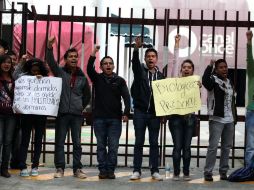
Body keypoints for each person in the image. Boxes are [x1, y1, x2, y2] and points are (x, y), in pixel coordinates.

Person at [47, 36, 91, 179]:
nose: (73, 59)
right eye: (70, 56)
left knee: (77, 143)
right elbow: (51, 62)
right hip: (62, 113)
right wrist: (49, 47)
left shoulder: (82, 77)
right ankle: (59, 168)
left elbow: (87, 96)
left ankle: (77, 169)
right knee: (60, 141)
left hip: (77, 115)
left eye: (75, 57)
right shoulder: (60, 72)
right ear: (65, 59)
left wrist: (80, 106)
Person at [87, 45, 130, 179]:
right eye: (105, 64)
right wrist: (93, 53)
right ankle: (102, 170)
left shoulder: (120, 81)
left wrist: (126, 113)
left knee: (113, 147)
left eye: (110, 63)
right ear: (101, 67)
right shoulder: (97, 79)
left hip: (115, 120)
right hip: (99, 119)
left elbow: (127, 97)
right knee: (100, 146)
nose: (108, 65)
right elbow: (89, 68)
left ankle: (110, 170)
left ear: (114, 66)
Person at [130, 37, 164, 181]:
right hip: (140, 112)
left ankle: (154, 170)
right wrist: (136, 49)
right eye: (148, 56)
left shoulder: (161, 76)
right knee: (139, 142)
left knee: (154, 143)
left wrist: (163, 113)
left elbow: (165, 96)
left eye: (153, 56)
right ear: (145, 58)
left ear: (156, 59)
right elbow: (135, 65)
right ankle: (136, 170)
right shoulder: (140, 72)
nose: (151, 58)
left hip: (155, 114)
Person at [168, 34, 200, 181]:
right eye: (184, 67)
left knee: (187, 148)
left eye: (189, 67)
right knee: (177, 147)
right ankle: (176, 173)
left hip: (189, 118)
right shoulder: (175, 80)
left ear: (192, 70)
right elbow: (174, 62)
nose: (186, 69)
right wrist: (177, 44)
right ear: (181, 69)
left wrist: (198, 87)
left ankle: (186, 173)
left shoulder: (195, 82)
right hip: (175, 118)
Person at [13, 58, 49, 177]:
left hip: (40, 115)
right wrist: (22, 62)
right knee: (25, 140)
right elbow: (15, 75)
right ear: (29, 69)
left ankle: (35, 166)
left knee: (38, 141)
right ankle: (22, 166)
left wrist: (42, 80)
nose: (35, 73)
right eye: (33, 71)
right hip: (27, 114)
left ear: (41, 70)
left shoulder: (45, 79)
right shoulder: (24, 77)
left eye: (37, 71)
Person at [202, 59, 237, 181]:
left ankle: (223, 172)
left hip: (229, 120)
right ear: (216, 70)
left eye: (225, 67)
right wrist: (210, 65)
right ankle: (208, 172)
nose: (224, 69)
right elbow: (205, 80)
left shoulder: (229, 82)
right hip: (217, 119)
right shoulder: (213, 81)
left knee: (226, 147)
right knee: (213, 146)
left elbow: (232, 101)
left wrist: (234, 117)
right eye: (221, 67)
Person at [0, 55, 16, 178]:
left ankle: (4, 168)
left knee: (8, 142)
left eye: (9, 62)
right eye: (4, 62)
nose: (7, 64)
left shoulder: (14, 78)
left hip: (11, 115)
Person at [245, 30, 254, 167]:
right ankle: (250, 169)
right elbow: (250, 59)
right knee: (251, 143)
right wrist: (249, 42)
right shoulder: (252, 72)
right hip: (252, 110)